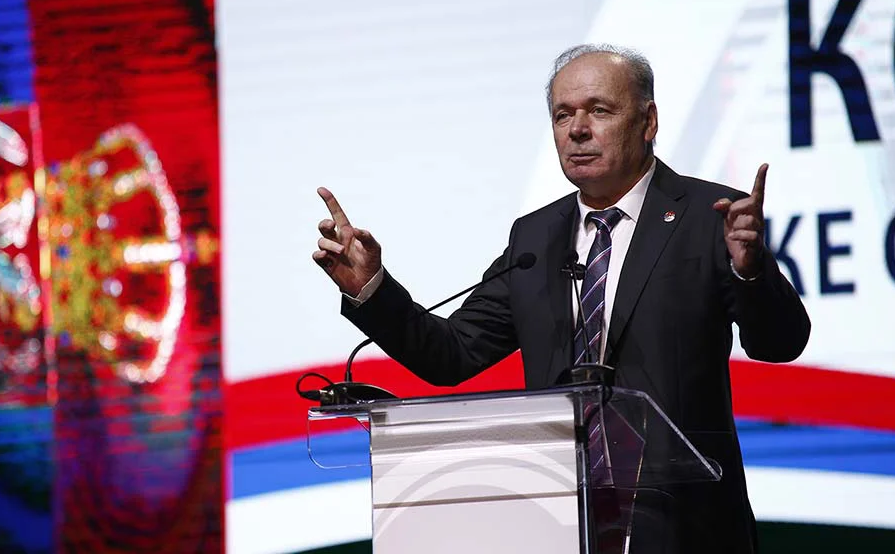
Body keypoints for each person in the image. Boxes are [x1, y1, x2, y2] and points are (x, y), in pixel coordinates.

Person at [312, 44, 810, 554]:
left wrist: (751, 272)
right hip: (561, 524)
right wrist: (370, 289)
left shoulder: (708, 215)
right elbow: (452, 354)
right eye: (562, 115)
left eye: (599, 110)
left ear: (648, 121)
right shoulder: (536, 236)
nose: (577, 130)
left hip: (685, 526)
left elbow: (781, 343)